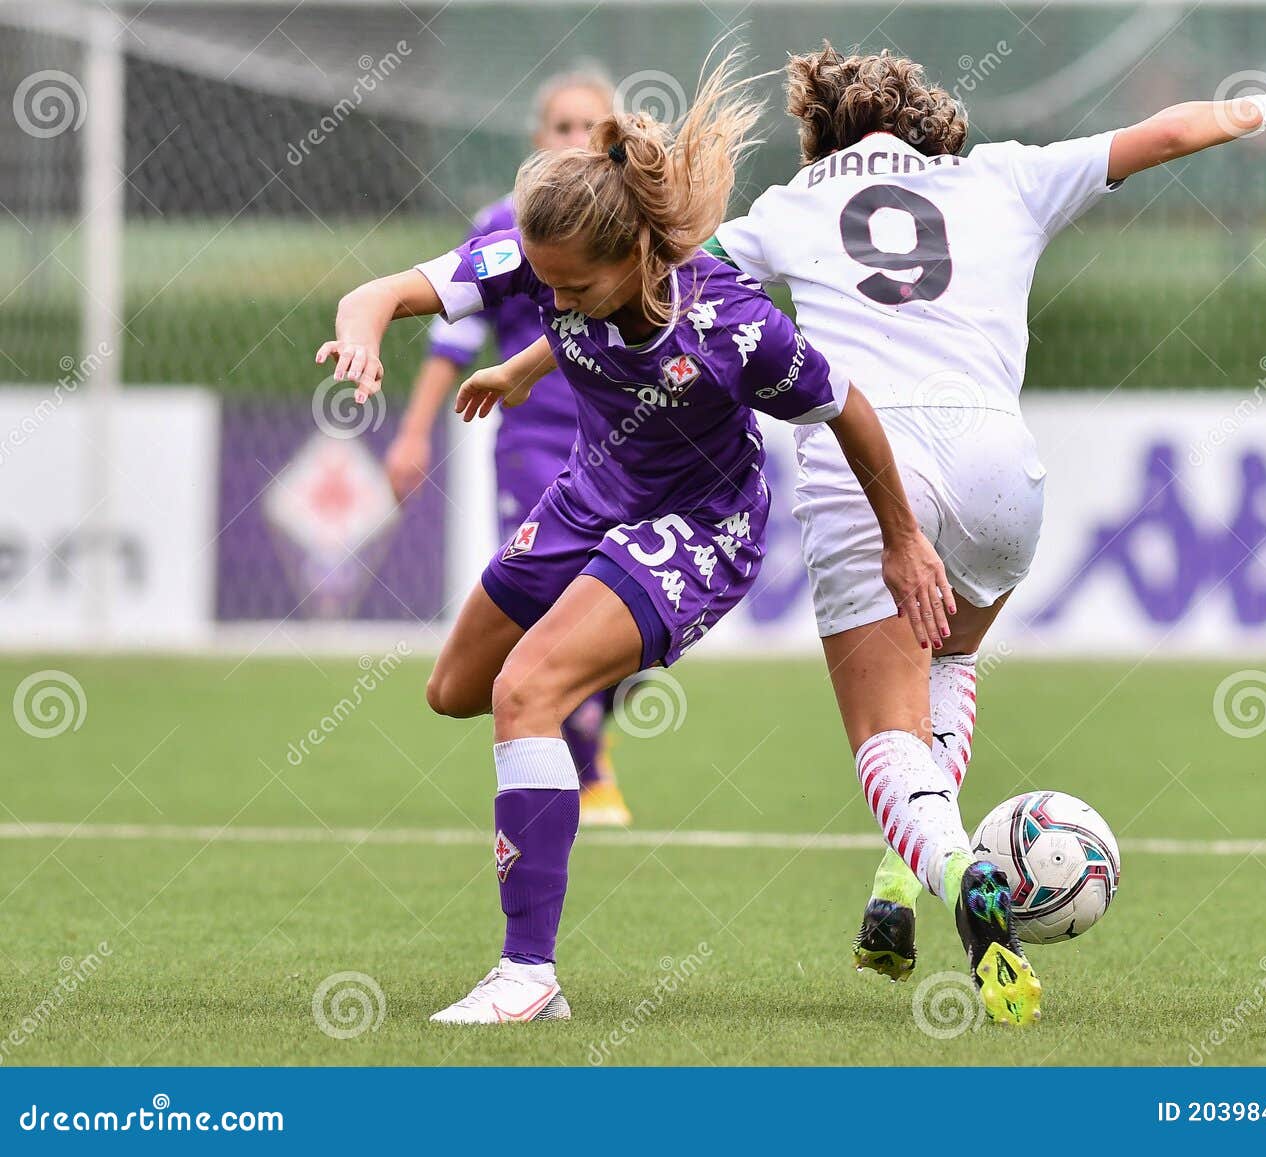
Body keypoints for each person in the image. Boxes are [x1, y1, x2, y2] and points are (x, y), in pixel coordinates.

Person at [705, 46, 1266, 1018]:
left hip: (863, 454)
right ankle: (897, 883)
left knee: (883, 728)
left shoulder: (789, 205)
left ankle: (956, 871)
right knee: (950, 662)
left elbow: (671, 289)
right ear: (931, 126)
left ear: (822, 134)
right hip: (997, 462)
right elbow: (1177, 130)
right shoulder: (1002, 171)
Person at [314, 52, 953, 1025]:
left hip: (700, 525)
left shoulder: (734, 332)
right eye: (545, 288)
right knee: (455, 690)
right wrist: (388, 337)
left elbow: (849, 409)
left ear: (634, 261)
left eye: (570, 290)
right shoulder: (542, 258)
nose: (553, 301)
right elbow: (384, 294)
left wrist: (901, 537)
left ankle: (529, 974)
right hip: (588, 493)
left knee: (528, 691)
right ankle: (558, 789)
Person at [384, 70, 636, 828]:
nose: (574, 141)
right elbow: (451, 336)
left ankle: (587, 725)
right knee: (547, 601)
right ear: (537, 139)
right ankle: (584, 768)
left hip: (627, 446)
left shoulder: (635, 226)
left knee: (634, 606)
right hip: (532, 438)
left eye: (591, 128)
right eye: (561, 127)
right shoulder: (506, 222)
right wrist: (412, 432)